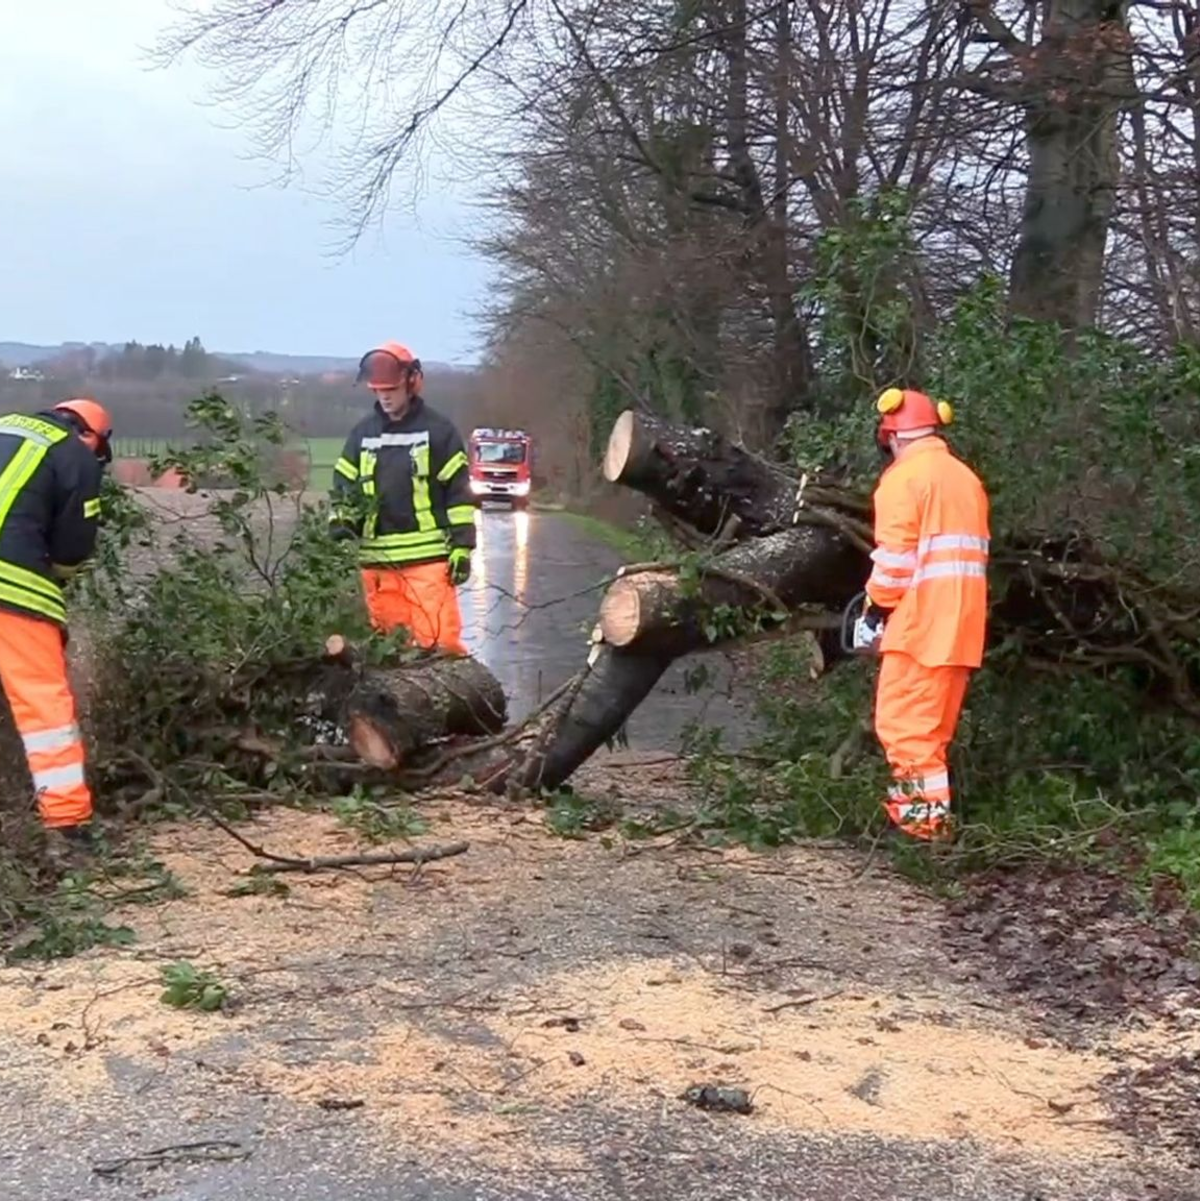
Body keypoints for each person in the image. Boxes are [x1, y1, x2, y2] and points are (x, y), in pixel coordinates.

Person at [858, 387, 990, 842]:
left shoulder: (904, 479)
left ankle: (922, 833)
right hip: (961, 629)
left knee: (905, 730)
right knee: (930, 735)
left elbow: (895, 563)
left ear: (892, 435)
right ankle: (924, 824)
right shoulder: (965, 479)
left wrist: (873, 612)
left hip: (921, 628)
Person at [0, 398, 112, 860]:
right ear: (92, 436)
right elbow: (70, 550)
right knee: (45, 709)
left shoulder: (4, 426)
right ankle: (66, 829)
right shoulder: (74, 454)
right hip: (13, 588)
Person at [329, 341, 476, 655]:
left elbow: (459, 494)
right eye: (379, 390)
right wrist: (341, 525)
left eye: (391, 389)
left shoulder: (439, 432)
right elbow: (343, 485)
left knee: (439, 647)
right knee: (388, 653)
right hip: (377, 563)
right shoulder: (362, 435)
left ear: (412, 382)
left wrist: (462, 546)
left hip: (428, 563)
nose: (384, 396)